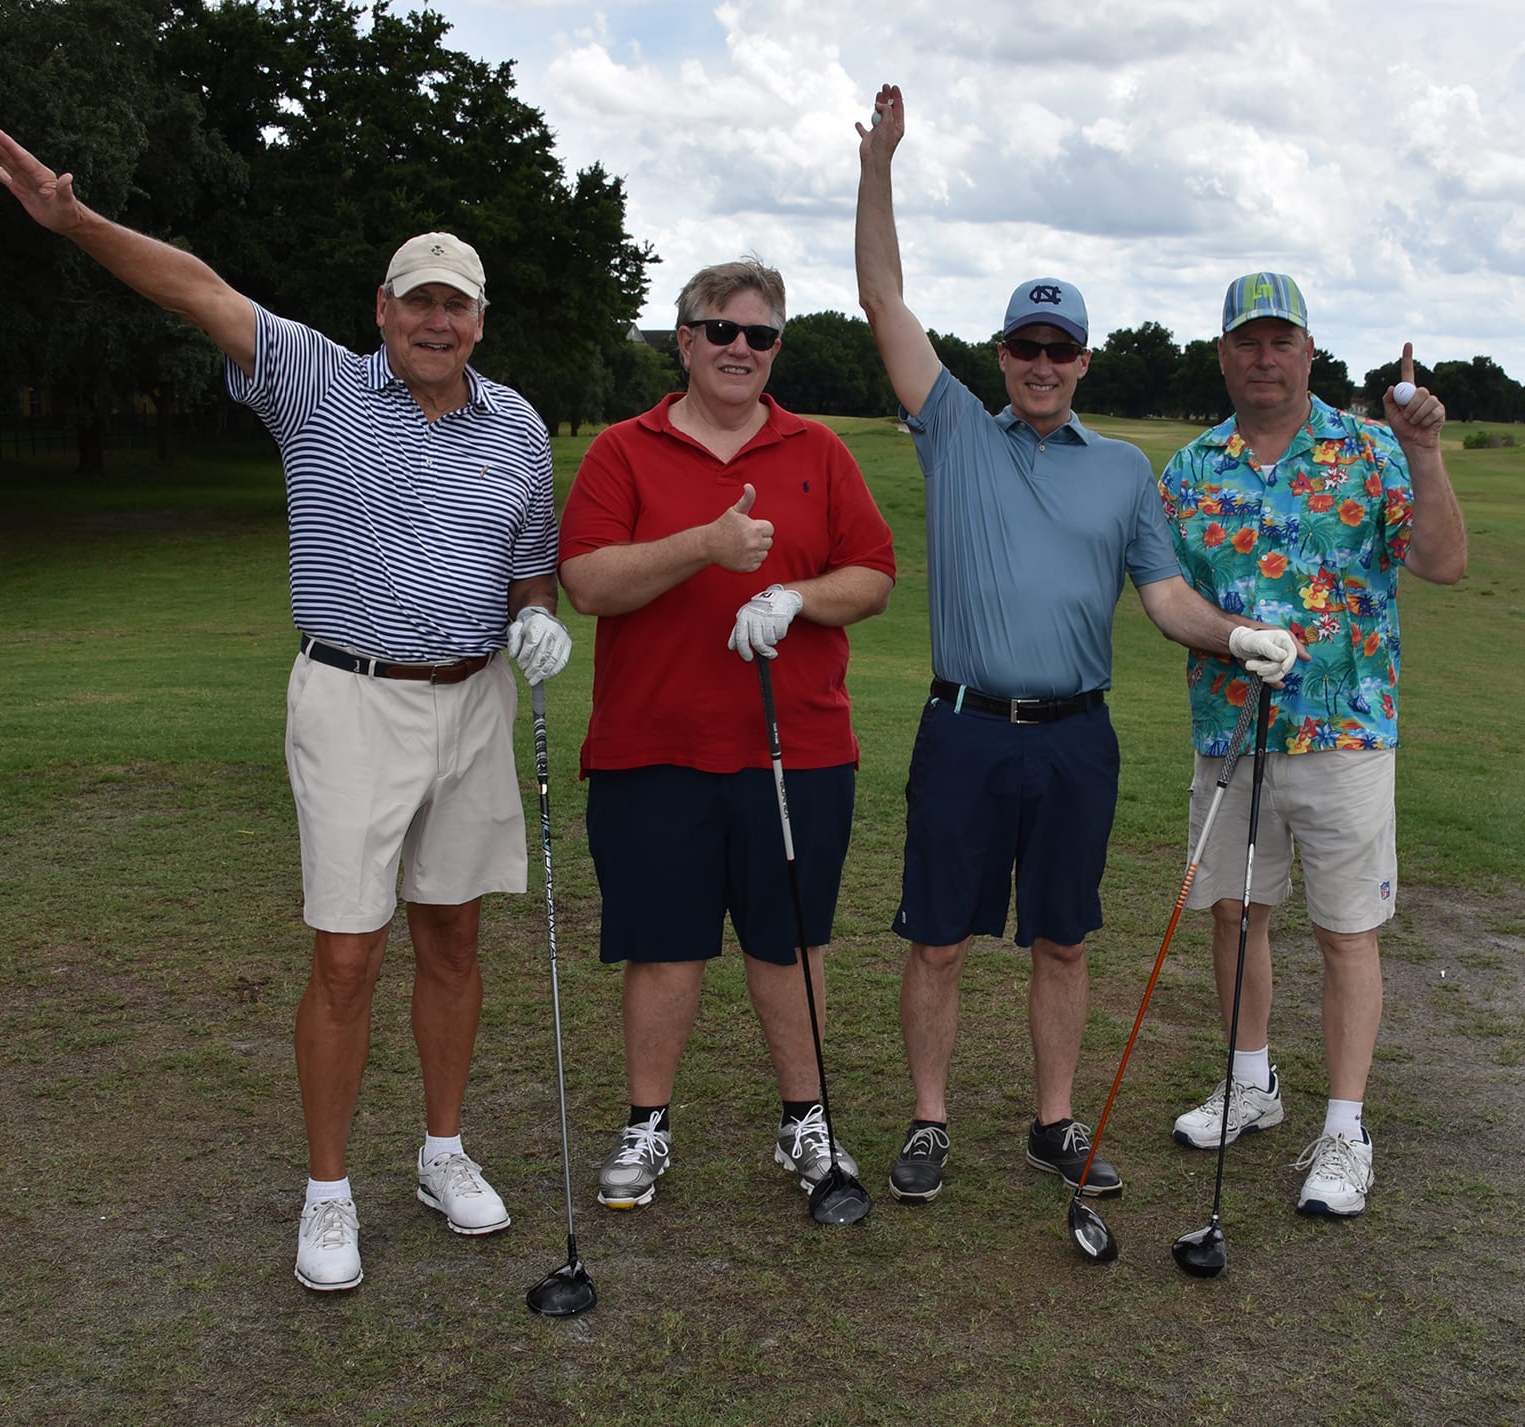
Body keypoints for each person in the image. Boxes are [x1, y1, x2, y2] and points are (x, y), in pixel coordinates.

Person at [0, 130, 577, 1292]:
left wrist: (536, 617)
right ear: (384, 310)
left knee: (453, 933)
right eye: (416, 304)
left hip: (471, 699)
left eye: (456, 307)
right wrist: (76, 222)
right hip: (351, 696)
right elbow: (196, 286)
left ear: (480, 321)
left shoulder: (514, 425)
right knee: (347, 952)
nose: (435, 323)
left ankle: (441, 1150)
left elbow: (527, 567)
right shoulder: (313, 375)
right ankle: (330, 1191)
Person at [854, 87, 1297, 1206]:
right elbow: (880, 299)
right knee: (941, 941)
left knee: (1062, 940)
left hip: (1073, 739)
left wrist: (1239, 633)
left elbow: (1161, 599)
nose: (1041, 363)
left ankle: (1052, 1122)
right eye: (1024, 345)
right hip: (963, 728)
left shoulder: (1124, 471)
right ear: (999, 354)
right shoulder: (951, 426)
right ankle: (927, 1121)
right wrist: (880, 166)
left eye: (1059, 348)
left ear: (1084, 361)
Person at [558, 258, 896, 1211]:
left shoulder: (818, 450)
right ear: (686, 337)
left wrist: (797, 595)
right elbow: (588, 581)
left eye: (762, 335)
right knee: (663, 946)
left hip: (796, 749)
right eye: (722, 330)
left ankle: (807, 1122)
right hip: (653, 745)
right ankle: (647, 1125)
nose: (740, 350)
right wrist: (706, 545)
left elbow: (871, 573)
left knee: (788, 943)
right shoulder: (624, 450)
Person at [1156, 271, 1467, 1217]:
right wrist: (1231, 636)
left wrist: (1426, 454)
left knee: (1345, 931)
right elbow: (1167, 597)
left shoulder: (1372, 451)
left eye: (1280, 340)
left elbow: (1444, 562)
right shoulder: (1191, 470)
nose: (1263, 358)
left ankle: (1343, 1131)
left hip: (1346, 732)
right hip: (1232, 732)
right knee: (1234, 914)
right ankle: (1252, 1082)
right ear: (1222, 353)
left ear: (1309, 351)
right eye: (1246, 341)